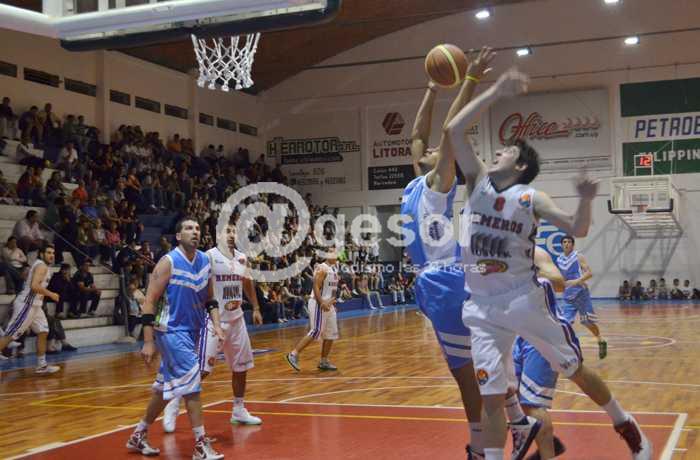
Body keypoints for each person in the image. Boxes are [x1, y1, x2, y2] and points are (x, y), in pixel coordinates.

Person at [445, 67, 652, 460]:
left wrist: (586, 199)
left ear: (520, 166)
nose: (496, 153)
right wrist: (495, 91)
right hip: (481, 307)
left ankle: (625, 423)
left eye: (506, 151)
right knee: (492, 398)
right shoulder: (477, 183)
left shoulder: (530, 197)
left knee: (573, 368)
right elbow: (454, 129)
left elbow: (578, 228)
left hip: (524, 300)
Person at [398, 47, 495, 460]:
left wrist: (469, 79)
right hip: (431, 282)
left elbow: (448, 130)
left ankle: (485, 444)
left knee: (466, 373)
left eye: (439, 151)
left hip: (445, 279)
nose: (429, 150)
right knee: (466, 370)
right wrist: (431, 89)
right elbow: (417, 137)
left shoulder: (440, 182)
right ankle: (506, 425)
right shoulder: (416, 182)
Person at [125, 217, 225, 459]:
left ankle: (138, 435)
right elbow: (149, 301)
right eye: (189, 228)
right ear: (178, 236)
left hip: (193, 331)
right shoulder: (168, 262)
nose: (195, 231)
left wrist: (217, 325)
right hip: (169, 331)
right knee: (192, 386)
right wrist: (148, 341)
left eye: (197, 228)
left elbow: (210, 299)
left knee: (162, 389)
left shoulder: (205, 261)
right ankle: (200, 445)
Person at [162, 221, 264, 432]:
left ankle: (238, 409)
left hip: (237, 319)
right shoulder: (208, 256)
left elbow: (247, 282)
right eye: (227, 231)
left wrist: (255, 307)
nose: (231, 235)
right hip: (213, 320)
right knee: (202, 369)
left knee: (241, 367)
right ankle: (174, 402)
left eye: (234, 231)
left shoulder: (242, 258)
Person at [512, 247, 569, 460]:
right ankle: (549, 444)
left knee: (531, 405)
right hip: (513, 330)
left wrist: (525, 270)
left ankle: (547, 451)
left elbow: (559, 282)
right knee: (511, 398)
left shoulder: (535, 253)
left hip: (539, 333)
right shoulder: (495, 251)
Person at [0, 243, 60, 374]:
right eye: (48, 253)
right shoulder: (41, 266)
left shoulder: (43, 266)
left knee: (43, 331)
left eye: (53, 253)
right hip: (26, 305)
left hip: (36, 306)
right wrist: (51, 294)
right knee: (11, 335)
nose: (51, 255)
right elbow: (34, 286)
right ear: (42, 254)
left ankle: (41, 365)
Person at [286, 250, 340, 372]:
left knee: (331, 334)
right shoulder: (322, 268)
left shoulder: (334, 269)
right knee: (316, 330)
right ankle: (293, 354)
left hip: (328, 305)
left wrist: (332, 302)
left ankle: (324, 361)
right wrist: (322, 302)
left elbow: (333, 289)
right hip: (318, 303)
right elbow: (315, 286)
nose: (335, 256)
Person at [556, 235, 607, 359]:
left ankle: (600, 340)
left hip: (581, 294)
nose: (566, 244)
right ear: (561, 245)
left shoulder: (578, 256)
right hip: (567, 296)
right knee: (564, 323)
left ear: (573, 244)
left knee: (587, 322)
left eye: (569, 242)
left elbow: (589, 273)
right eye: (564, 242)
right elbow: (560, 277)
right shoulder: (559, 259)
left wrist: (577, 281)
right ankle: (571, 352)